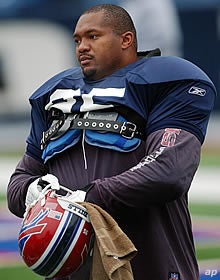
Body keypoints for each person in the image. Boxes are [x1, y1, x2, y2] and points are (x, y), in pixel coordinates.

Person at [7, 4, 216, 280]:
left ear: (126, 40)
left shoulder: (165, 82)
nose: (82, 46)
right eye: (78, 40)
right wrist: (37, 192)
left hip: (149, 263)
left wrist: (89, 197)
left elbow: (168, 171)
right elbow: (18, 183)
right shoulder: (54, 96)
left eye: (93, 36)